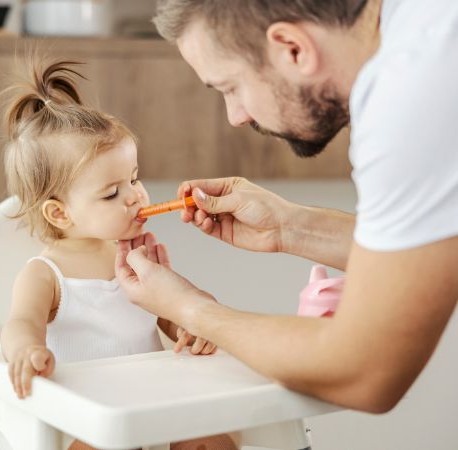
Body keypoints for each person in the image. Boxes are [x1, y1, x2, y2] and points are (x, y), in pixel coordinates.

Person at [115, 0, 458, 414]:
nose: (235, 116)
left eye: (230, 87)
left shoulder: (410, 96)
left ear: (293, 48)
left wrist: (188, 308)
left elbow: (361, 372)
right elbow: (429, 254)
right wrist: (289, 227)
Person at [0, 57, 236, 450]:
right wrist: (26, 350)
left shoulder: (137, 257)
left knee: (212, 440)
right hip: (86, 418)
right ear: (60, 213)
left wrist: (191, 331)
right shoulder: (45, 274)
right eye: (112, 193)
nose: (135, 196)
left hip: (152, 403)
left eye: (134, 178)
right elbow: (20, 322)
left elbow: (173, 313)